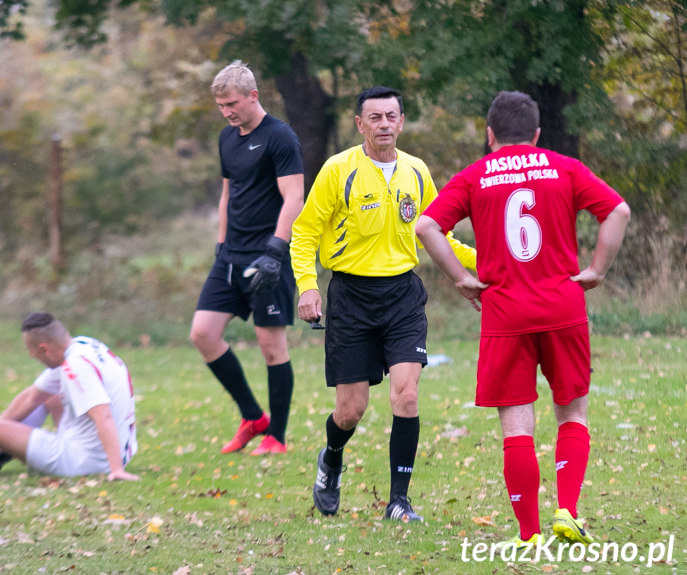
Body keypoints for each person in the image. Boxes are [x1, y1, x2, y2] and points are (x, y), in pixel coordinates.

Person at [416, 91, 630, 547]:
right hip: (562, 307)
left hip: (504, 312)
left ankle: (530, 534)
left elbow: (427, 227)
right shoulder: (565, 167)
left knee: (517, 424)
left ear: (489, 134)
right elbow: (618, 210)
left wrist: (460, 278)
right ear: (536, 133)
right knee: (571, 409)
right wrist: (596, 270)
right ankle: (567, 511)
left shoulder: (475, 176)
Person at [291, 86, 477, 521]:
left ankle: (399, 502)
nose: (384, 125)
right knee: (351, 409)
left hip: (402, 297)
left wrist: (481, 266)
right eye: (374, 118)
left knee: (407, 396)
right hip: (351, 298)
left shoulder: (416, 171)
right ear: (360, 125)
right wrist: (307, 286)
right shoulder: (339, 170)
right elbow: (304, 233)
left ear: (402, 121)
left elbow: (439, 234)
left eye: (391, 116)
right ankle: (332, 459)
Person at [189, 60, 305, 456]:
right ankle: (253, 417)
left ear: (253, 95)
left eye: (233, 103)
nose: (227, 112)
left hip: (267, 254)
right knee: (203, 334)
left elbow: (294, 197)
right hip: (231, 255)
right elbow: (228, 193)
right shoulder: (228, 138)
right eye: (221, 106)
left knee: (270, 345)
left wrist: (277, 250)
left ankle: (278, 437)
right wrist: (221, 246)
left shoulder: (280, 137)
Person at [0, 312, 139, 481]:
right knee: (46, 398)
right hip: (112, 450)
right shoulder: (84, 345)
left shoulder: (76, 367)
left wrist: (116, 470)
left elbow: (103, 415)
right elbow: (32, 397)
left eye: (32, 351)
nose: (31, 356)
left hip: (85, 462)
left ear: (44, 349)